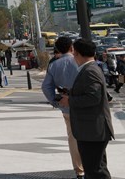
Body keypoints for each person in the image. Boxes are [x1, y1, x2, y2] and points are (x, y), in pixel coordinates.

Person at [59, 39, 114, 179]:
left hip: (93, 131)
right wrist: (71, 93)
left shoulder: (90, 71)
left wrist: (70, 101)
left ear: (76, 52)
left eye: (73, 52)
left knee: (95, 171)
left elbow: (93, 98)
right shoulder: (90, 68)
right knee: (95, 169)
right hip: (92, 130)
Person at [41, 37, 84, 179]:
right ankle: (92, 166)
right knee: (90, 135)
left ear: (58, 49)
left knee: (72, 137)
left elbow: (46, 86)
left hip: (66, 106)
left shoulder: (54, 65)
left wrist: (55, 101)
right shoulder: (80, 61)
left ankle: (79, 170)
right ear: (72, 47)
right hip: (84, 104)